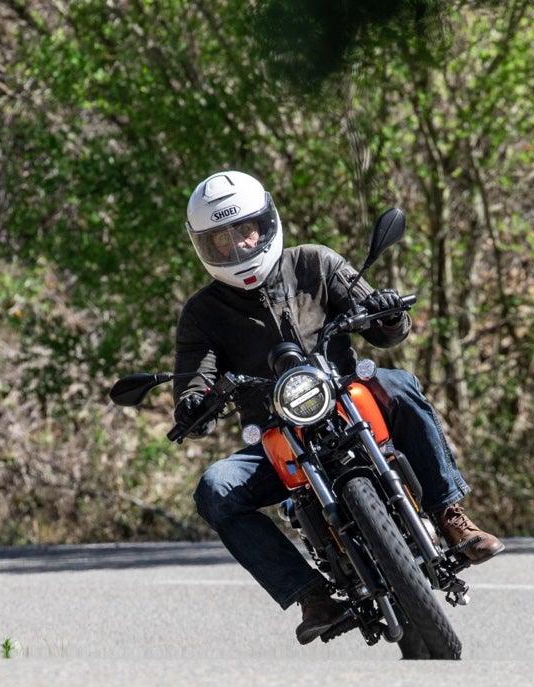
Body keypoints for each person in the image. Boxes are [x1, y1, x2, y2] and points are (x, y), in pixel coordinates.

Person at [173, 170, 505, 645]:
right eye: (221, 240)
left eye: (244, 231)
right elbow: (194, 378)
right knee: (215, 488)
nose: (238, 247)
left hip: (348, 397)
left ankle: (451, 515)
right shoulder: (203, 314)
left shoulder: (316, 263)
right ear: (205, 246)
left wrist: (388, 312)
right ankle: (311, 594)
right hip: (276, 435)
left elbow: (383, 325)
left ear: (265, 224)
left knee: (403, 385)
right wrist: (192, 404)